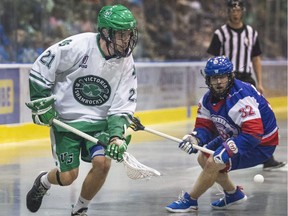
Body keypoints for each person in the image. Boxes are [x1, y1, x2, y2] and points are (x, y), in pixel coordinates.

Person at [25, 4, 138, 216]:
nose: (127, 40)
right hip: (67, 122)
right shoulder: (78, 45)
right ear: (106, 33)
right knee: (68, 177)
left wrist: (116, 136)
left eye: (129, 34)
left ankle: (80, 208)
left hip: (99, 125)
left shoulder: (126, 60)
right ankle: (43, 182)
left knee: (103, 163)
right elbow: (42, 67)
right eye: (121, 34)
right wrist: (42, 101)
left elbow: (123, 102)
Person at [165, 56, 280, 212]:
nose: (218, 82)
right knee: (203, 157)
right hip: (237, 133)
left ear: (230, 76)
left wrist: (228, 149)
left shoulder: (241, 97)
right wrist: (194, 139)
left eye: (222, 77)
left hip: (262, 143)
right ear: (208, 80)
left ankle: (191, 200)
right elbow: (204, 127)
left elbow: (254, 134)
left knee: (213, 162)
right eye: (214, 78)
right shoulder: (207, 100)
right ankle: (233, 194)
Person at [206, 0, 285, 170]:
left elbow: (256, 58)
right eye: (232, 9)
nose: (235, 12)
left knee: (254, 117)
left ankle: (266, 156)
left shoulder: (251, 32)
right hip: (225, 80)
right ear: (228, 11)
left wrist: (260, 82)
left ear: (242, 11)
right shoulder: (220, 33)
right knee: (220, 115)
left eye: (238, 9)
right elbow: (212, 59)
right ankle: (214, 151)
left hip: (246, 80)